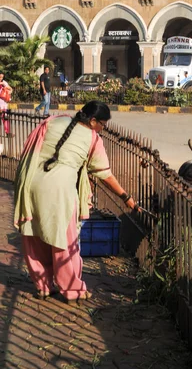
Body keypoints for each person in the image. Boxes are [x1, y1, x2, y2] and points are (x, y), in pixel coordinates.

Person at [14, 101, 138, 303]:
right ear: (93, 121)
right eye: (103, 124)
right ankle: (73, 290)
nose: (103, 129)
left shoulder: (52, 121)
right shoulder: (92, 138)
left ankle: (43, 287)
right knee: (64, 242)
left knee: (34, 237)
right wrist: (127, 198)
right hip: (59, 190)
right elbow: (104, 175)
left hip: (30, 183)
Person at [0, 72, 12, 137]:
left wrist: (8, 91)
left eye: (2, 77)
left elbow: (11, 89)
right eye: (0, 77)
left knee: (5, 118)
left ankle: (7, 132)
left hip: (4, 103)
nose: (0, 78)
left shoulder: (4, 83)